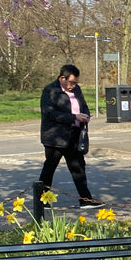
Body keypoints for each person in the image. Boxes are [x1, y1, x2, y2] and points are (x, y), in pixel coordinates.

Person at [39, 64, 103, 208]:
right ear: (62, 78)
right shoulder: (50, 91)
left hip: (74, 135)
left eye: (75, 83)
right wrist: (74, 117)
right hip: (55, 137)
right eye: (71, 82)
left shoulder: (77, 90)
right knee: (49, 169)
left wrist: (85, 115)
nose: (73, 86)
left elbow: (83, 105)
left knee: (78, 168)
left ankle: (85, 200)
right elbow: (50, 114)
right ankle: (42, 202)